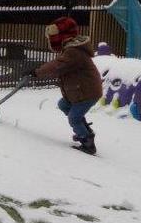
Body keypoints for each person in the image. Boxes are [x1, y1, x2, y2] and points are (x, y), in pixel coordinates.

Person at [25, 16, 103, 155]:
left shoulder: (73, 52)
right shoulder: (71, 49)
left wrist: (37, 72)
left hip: (88, 93)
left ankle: (87, 142)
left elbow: (57, 66)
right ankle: (84, 130)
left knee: (74, 118)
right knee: (63, 105)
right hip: (81, 91)